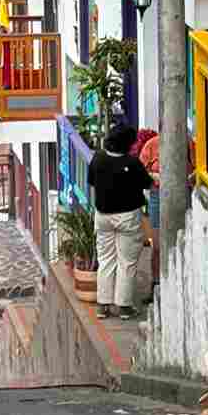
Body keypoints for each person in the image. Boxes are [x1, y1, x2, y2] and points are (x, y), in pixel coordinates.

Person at [87, 120, 153, 320]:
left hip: (103, 216)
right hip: (127, 217)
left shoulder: (98, 158)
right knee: (127, 262)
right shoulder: (132, 163)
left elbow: (92, 181)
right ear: (127, 144)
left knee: (106, 259)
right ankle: (124, 306)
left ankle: (103, 305)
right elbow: (147, 183)